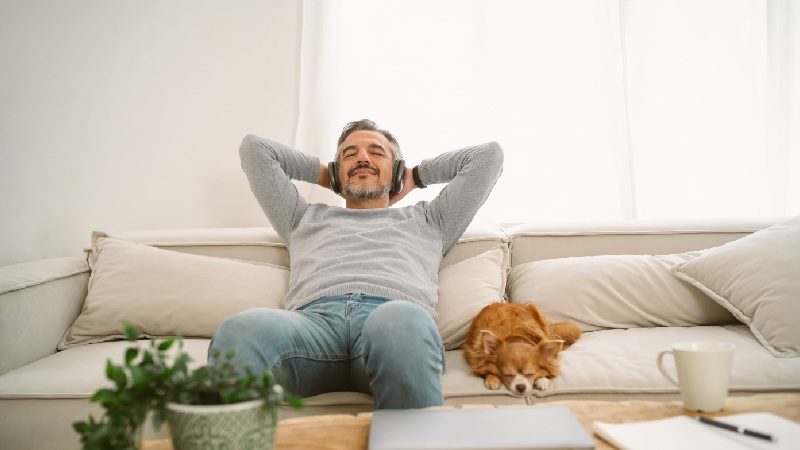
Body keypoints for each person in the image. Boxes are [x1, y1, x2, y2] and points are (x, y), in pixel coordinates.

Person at [209, 119, 503, 409]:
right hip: (312, 328)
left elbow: (488, 156)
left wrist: (415, 176)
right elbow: (255, 149)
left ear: (396, 169)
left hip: (392, 325)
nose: (362, 157)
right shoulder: (301, 218)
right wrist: (326, 175)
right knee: (241, 330)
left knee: (399, 321)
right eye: (349, 155)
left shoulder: (431, 220)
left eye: (376, 153)